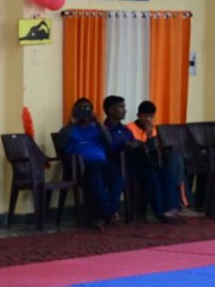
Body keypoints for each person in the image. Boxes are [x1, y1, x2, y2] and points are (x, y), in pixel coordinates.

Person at [126, 101, 202, 220]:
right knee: (155, 175)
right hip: (137, 163)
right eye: (145, 116)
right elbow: (135, 148)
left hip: (152, 161)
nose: (148, 119)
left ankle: (173, 208)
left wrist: (150, 135)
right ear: (138, 115)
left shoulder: (153, 129)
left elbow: (155, 148)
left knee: (169, 169)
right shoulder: (129, 128)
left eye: (151, 116)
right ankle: (166, 210)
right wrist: (148, 137)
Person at [56, 98, 123, 229]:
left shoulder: (96, 127)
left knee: (118, 177)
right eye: (80, 108)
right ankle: (109, 213)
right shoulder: (69, 129)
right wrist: (71, 123)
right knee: (95, 177)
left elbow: (109, 142)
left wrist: (98, 123)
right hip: (81, 164)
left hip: (101, 162)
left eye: (87, 109)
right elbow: (60, 144)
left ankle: (105, 214)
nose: (84, 111)